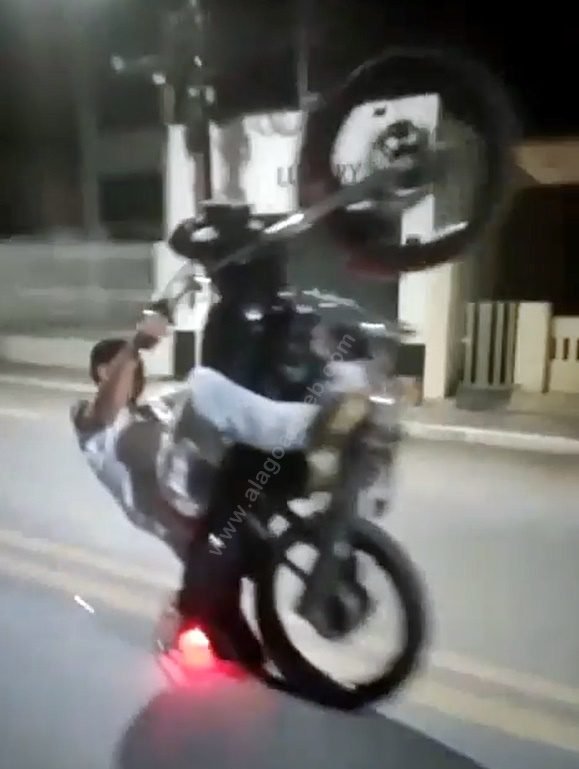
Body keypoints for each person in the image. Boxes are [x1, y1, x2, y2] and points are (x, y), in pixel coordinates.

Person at [71, 310, 371, 670]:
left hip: (199, 494)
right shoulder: (91, 422)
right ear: (104, 372)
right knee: (201, 386)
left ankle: (322, 451)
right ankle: (317, 424)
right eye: (128, 367)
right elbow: (105, 410)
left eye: (138, 367)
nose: (138, 372)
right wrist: (134, 346)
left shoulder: (150, 410)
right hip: (176, 497)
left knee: (236, 583)